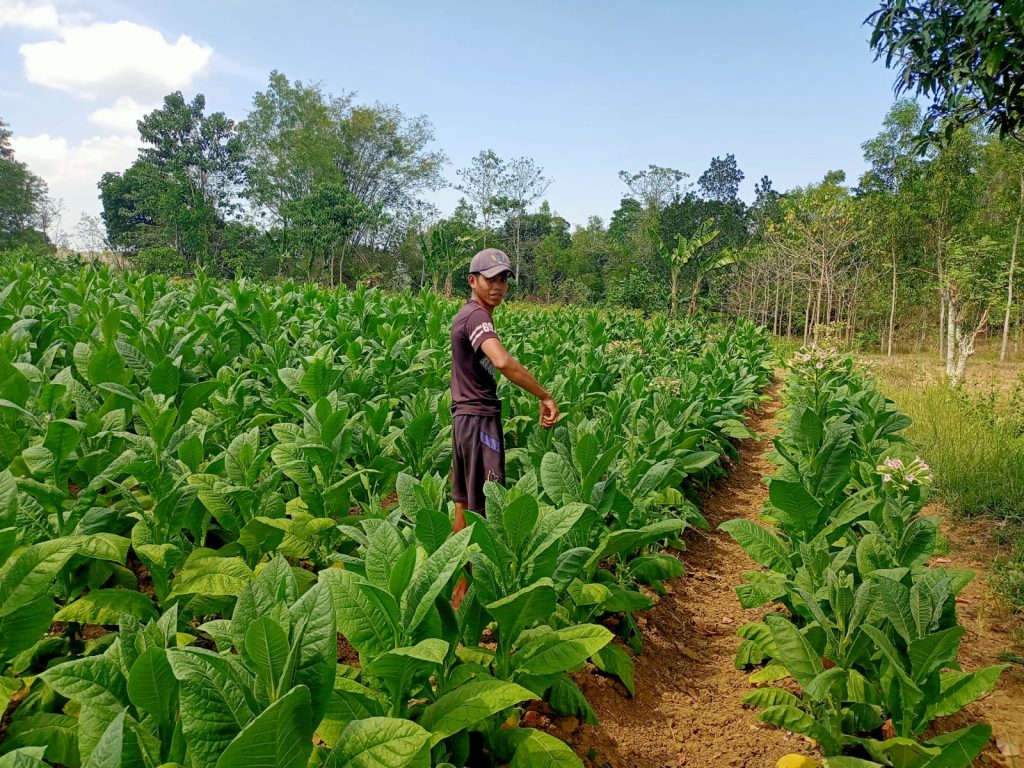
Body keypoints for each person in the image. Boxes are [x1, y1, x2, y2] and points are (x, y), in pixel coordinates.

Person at [449, 247, 559, 607]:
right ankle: (471, 596)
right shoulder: (477, 316)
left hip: (464, 419)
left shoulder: (468, 314)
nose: (498, 286)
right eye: (490, 279)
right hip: (478, 419)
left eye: (503, 279)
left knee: (464, 503)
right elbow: (501, 361)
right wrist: (543, 394)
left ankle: (457, 592)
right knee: (486, 508)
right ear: (472, 281)